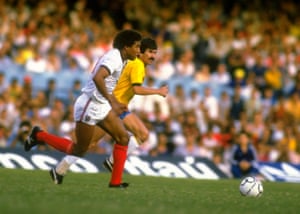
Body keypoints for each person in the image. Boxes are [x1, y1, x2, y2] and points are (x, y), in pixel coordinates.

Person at [24, 29, 142, 188]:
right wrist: (112, 101)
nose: (138, 50)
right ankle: (39, 135)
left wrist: (112, 101)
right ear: (126, 47)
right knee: (79, 149)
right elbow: (98, 77)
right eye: (136, 46)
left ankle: (115, 183)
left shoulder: (122, 58)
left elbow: (106, 82)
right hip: (89, 105)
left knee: (123, 138)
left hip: (101, 105)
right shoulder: (114, 57)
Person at [53, 38, 168, 180]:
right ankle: (110, 162)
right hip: (113, 107)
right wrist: (158, 91)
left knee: (90, 144)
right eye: (150, 52)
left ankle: (61, 169)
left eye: (155, 53)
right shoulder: (137, 65)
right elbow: (136, 89)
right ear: (141, 52)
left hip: (116, 106)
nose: (153, 56)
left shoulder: (134, 63)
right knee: (140, 135)